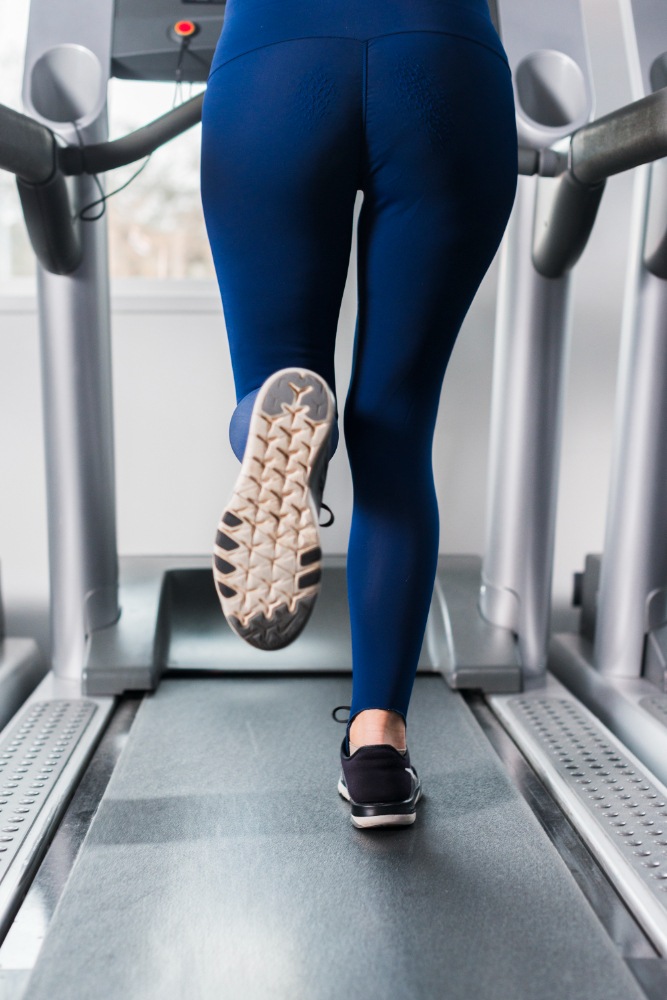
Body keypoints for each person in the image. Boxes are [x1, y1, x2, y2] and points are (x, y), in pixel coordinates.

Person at [200, 0, 517, 828]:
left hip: (275, 61)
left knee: (277, 372)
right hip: (444, 59)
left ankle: (269, 423)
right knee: (394, 432)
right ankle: (377, 745)